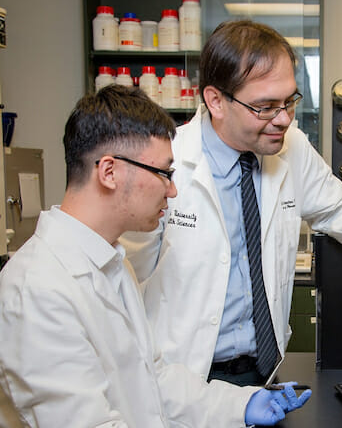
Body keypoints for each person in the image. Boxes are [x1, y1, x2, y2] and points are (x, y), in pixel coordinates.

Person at [121, 20, 342, 386]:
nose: (284, 119)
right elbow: (125, 279)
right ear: (216, 101)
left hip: (266, 373)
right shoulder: (168, 163)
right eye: (266, 106)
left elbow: (339, 206)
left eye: (289, 101)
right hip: (184, 380)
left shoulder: (292, 148)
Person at [0, 85, 310, 427]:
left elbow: (154, 379)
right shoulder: (38, 289)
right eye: (164, 173)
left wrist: (241, 403)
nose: (173, 189)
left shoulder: (111, 264)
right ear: (109, 172)